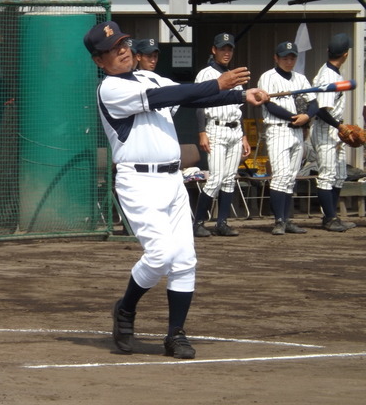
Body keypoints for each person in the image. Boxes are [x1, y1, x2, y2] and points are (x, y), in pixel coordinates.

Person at [83, 20, 268, 359]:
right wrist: (218, 82)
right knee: (160, 255)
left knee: (184, 260)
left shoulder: (149, 76)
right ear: (99, 60)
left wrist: (241, 95)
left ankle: (175, 334)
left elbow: (191, 98)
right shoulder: (110, 88)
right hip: (138, 182)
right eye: (112, 49)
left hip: (173, 180)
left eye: (123, 43)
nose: (122, 51)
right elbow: (168, 95)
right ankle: (125, 307)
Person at [257, 41, 319, 235]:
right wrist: (295, 118)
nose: (289, 61)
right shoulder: (268, 77)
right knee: (281, 176)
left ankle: (288, 220)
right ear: (276, 58)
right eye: (285, 57)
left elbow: (314, 103)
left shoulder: (300, 78)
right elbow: (269, 105)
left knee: (291, 178)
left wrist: (307, 116)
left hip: (297, 131)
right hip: (278, 129)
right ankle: (279, 221)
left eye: (292, 57)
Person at [193, 33, 250, 237]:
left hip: (235, 129)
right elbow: (199, 106)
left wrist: (243, 135)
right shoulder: (206, 73)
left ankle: (222, 223)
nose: (226, 52)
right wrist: (201, 132)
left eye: (229, 49)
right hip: (215, 127)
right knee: (216, 178)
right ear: (214, 50)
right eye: (222, 48)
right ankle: (198, 222)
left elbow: (239, 108)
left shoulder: (235, 75)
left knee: (229, 179)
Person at [311, 33, 356, 232]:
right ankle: (329, 218)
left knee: (339, 174)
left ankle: (332, 216)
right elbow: (321, 109)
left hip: (334, 129)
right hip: (325, 128)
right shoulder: (328, 75)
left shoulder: (333, 72)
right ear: (346, 54)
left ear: (329, 51)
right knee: (327, 175)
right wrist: (340, 127)